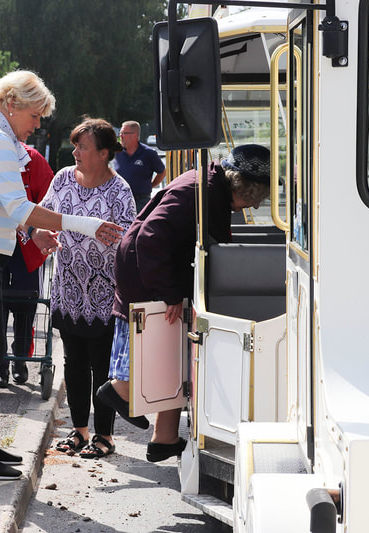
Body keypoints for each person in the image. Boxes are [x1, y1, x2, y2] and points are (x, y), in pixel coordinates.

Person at [0, 70, 123, 481]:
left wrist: (32, 229)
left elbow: (7, 207)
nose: (39, 122)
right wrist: (85, 224)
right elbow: (16, 206)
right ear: (12, 104)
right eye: (36, 113)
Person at [96, 144, 271, 463]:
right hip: (147, 271)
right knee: (165, 346)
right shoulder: (203, 191)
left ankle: (164, 438)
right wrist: (170, 294)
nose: (257, 205)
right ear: (246, 187)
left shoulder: (209, 187)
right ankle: (119, 391)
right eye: (258, 196)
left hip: (150, 268)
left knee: (174, 350)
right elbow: (151, 237)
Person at [43, 118, 135, 459]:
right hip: (68, 288)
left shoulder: (119, 190)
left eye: (83, 146)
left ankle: (105, 436)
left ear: (104, 153)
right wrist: (39, 233)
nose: (75, 151)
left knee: (101, 364)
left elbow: (128, 242)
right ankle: (79, 430)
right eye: (75, 145)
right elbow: (44, 215)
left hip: (104, 293)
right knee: (73, 362)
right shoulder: (63, 178)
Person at [0, 142, 55, 388]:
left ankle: (20, 358)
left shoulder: (32, 158)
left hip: (26, 246)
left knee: (26, 304)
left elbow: (48, 198)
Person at [114, 120, 166, 210]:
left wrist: (151, 185)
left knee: (140, 224)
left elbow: (162, 172)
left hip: (141, 201)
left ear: (134, 135)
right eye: (120, 133)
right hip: (120, 200)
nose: (120, 136)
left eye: (123, 133)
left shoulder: (148, 153)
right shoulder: (117, 152)